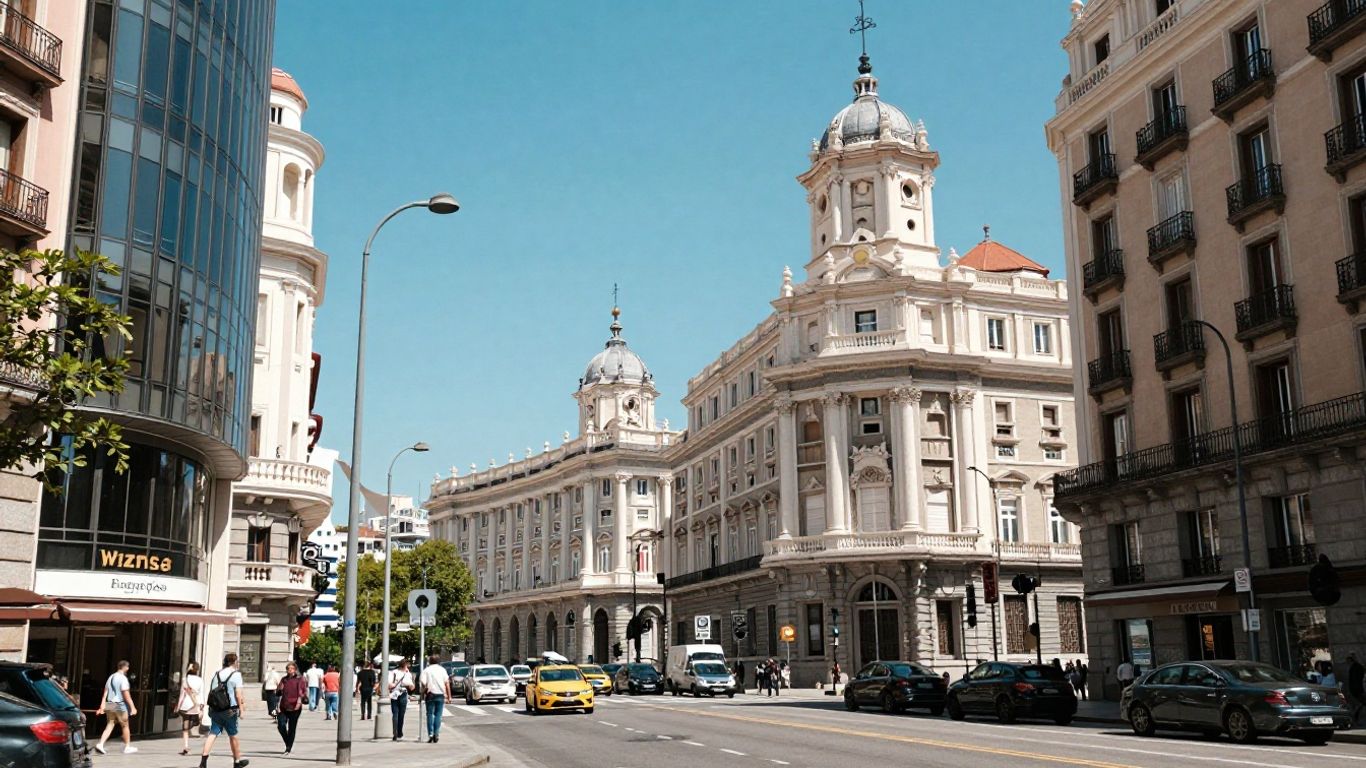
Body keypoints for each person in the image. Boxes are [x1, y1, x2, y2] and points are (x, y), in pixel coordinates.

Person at [199, 652, 248, 768]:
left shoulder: (217, 674)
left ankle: (203, 761)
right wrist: (241, 709)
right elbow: (238, 694)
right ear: (235, 662)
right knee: (233, 735)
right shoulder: (236, 675)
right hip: (229, 710)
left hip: (215, 709)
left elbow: (212, 691)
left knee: (213, 733)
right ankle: (237, 762)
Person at [94, 660, 138, 755]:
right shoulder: (123, 678)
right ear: (126, 667)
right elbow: (126, 694)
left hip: (110, 704)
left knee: (110, 724)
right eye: (128, 667)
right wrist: (132, 707)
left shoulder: (111, 677)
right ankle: (127, 747)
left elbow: (105, 693)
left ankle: (101, 744)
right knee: (125, 725)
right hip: (119, 704)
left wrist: (102, 705)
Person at [419, 654, 452, 743]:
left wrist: (422, 695)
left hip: (430, 694)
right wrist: (449, 696)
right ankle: (436, 733)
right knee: (438, 715)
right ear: (438, 661)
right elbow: (447, 683)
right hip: (440, 694)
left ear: (429, 661)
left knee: (430, 714)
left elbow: (423, 683)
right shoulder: (442, 670)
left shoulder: (426, 670)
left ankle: (430, 733)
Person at [276, 662, 307, 756]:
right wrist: (279, 689)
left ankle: (288, 748)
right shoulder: (284, 679)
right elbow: (278, 693)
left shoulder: (300, 679)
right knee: (281, 725)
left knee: (291, 728)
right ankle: (288, 743)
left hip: (295, 706)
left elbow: (302, 692)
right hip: (284, 706)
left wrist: (299, 701)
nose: (289, 670)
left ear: (295, 669)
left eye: (291, 668)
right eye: (288, 668)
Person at [177, 662, 204, 756]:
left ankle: (185, 746)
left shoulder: (185, 679)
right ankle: (194, 732)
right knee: (194, 723)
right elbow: (201, 694)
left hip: (185, 705)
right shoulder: (200, 680)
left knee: (185, 727)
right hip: (195, 705)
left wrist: (178, 705)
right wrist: (201, 707)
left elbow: (182, 694)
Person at [388, 658, 415, 741]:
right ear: (405, 665)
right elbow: (412, 687)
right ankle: (399, 732)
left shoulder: (393, 672)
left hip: (394, 694)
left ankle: (395, 733)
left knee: (395, 714)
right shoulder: (407, 674)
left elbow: (389, 684)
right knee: (401, 715)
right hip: (403, 694)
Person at [1347, 652, 1365, 724]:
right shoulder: (1355, 667)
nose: (1347, 663)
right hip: (1357, 690)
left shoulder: (1356, 667)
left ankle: (1354, 717)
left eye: (1348, 661)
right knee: (1360, 704)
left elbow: (1356, 680)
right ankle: (1355, 717)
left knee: (1360, 704)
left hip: (1357, 690)